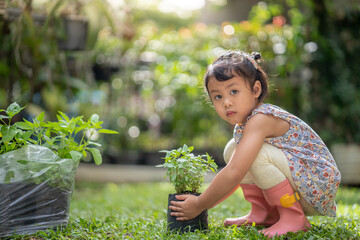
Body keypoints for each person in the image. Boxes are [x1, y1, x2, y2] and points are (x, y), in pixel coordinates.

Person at [169, 50, 341, 237]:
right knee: (233, 149)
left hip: (316, 184)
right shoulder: (247, 123)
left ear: (256, 90)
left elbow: (235, 172)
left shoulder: (261, 119)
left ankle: (294, 216)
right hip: (301, 181)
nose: (226, 102)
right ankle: (264, 212)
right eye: (218, 96)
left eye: (234, 91)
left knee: (253, 155)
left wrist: (199, 204)